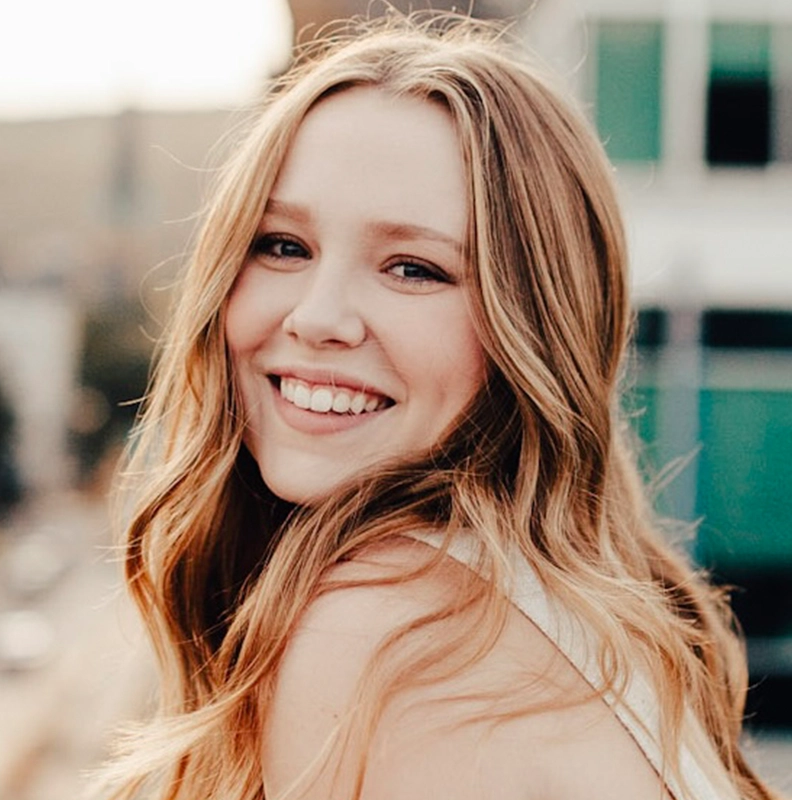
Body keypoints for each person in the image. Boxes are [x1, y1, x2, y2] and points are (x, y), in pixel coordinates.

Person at [98, 13, 783, 800]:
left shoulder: (399, 641)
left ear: (533, 327)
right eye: (283, 245)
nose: (319, 317)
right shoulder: (549, 616)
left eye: (414, 268)